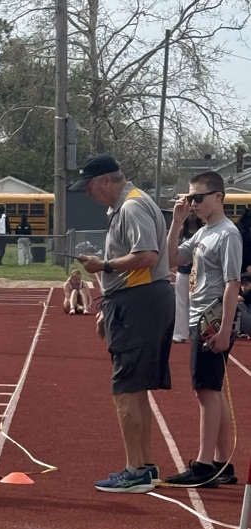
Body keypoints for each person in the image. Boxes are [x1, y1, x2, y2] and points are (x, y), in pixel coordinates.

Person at [73, 153, 174, 494]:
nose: (88, 193)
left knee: (126, 387)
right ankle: (144, 466)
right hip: (140, 298)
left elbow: (147, 256)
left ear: (106, 180)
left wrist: (104, 266)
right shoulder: (129, 204)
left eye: (89, 186)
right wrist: (109, 301)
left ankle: (135, 471)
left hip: (139, 301)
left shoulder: (131, 206)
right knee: (135, 386)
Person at [164, 171, 243, 487]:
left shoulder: (227, 234)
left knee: (205, 391)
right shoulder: (202, 233)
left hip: (213, 320)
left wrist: (224, 330)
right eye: (190, 197)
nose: (192, 203)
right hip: (201, 319)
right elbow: (171, 258)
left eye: (198, 197)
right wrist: (176, 222)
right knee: (212, 389)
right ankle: (222, 463)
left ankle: (204, 464)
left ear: (218, 197)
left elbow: (233, 283)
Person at [172, 211, 203, 344]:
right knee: (180, 302)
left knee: (195, 302)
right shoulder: (181, 231)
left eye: (193, 212)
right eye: (189, 212)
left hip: (196, 273)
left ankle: (197, 332)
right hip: (182, 272)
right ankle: (180, 333)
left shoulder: (201, 232)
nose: (191, 214)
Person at [237, 271, 251, 339]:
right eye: (242, 285)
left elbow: (234, 300)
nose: (244, 287)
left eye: (246, 284)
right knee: (241, 305)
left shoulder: (249, 292)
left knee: (236, 307)